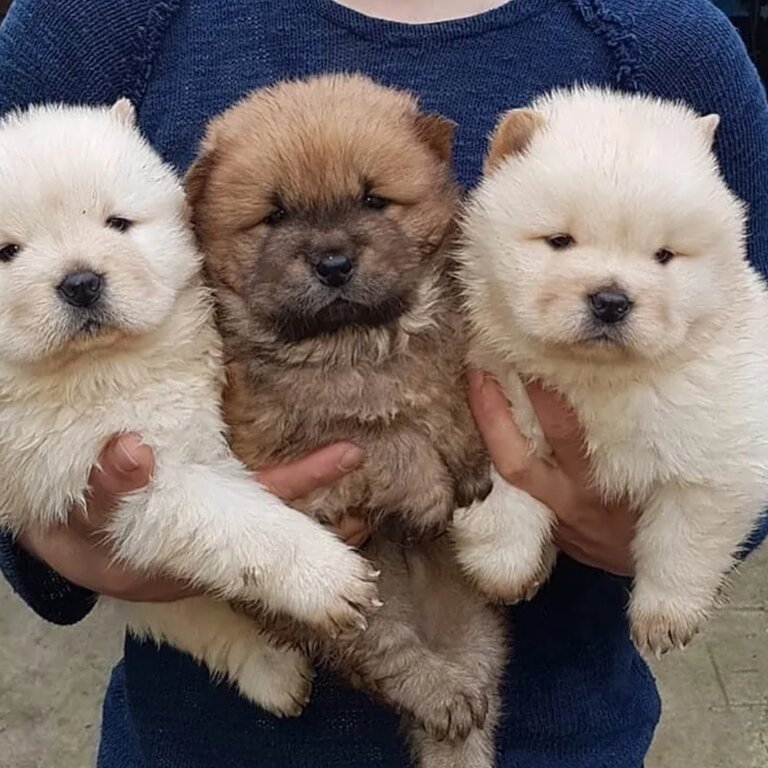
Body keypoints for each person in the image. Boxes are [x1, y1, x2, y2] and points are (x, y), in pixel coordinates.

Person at [1, 1, 766, 766]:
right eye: (271, 219)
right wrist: (54, 539)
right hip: (201, 739)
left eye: (376, 203)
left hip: (561, 730)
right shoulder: (95, 21)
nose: (333, 253)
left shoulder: (668, 42)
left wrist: (668, 533)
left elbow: (745, 340)